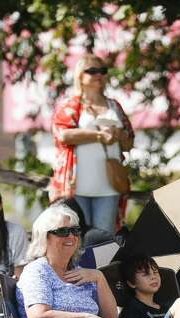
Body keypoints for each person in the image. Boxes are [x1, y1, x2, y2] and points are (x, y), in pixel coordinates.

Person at [17, 205, 161, 318]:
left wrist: (99, 278)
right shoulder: (38, 270)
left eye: (75, 231)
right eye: (62, 231)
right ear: (45, 237)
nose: (71, 236)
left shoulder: (80, 273)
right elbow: (38, 316)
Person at [49, 53, 135, 234]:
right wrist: (98, 136)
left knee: (105, 239)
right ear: (80, 75)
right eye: (92, 71)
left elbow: (129, 143)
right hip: (76, 185)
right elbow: (63, 135)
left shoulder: (114, 106)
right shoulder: (71, 105)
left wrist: (119, 135)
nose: (99, 75)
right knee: (78, 236)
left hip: (109, 185)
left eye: (103, 71)